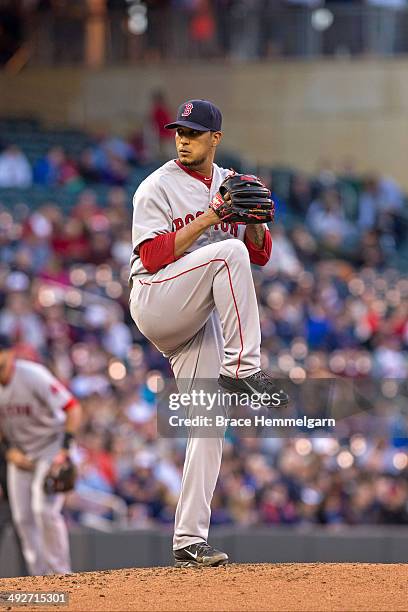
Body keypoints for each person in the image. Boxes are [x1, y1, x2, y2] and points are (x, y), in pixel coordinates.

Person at [129, 99, 289, 567]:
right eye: (180, 130)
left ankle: (188, 539)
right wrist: (214, 219)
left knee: (209, 421)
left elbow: (257, 254)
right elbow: (155, 256)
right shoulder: (155, 187)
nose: (183, 138)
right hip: (156, 298)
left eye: (194, 132)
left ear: (214, 139)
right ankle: (242, 369)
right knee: (226, 253)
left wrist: (255, 223)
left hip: (194, 318)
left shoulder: (229, 182)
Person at [0, 335, 82, 575]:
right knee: (23, 518)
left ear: (11, 353)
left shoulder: (32, 375)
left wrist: (65, 450)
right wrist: (8, 451)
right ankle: (38, 578)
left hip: (51, 446)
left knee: (43, 509)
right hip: (21, 453)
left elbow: (72, 408)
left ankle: (60, 574)